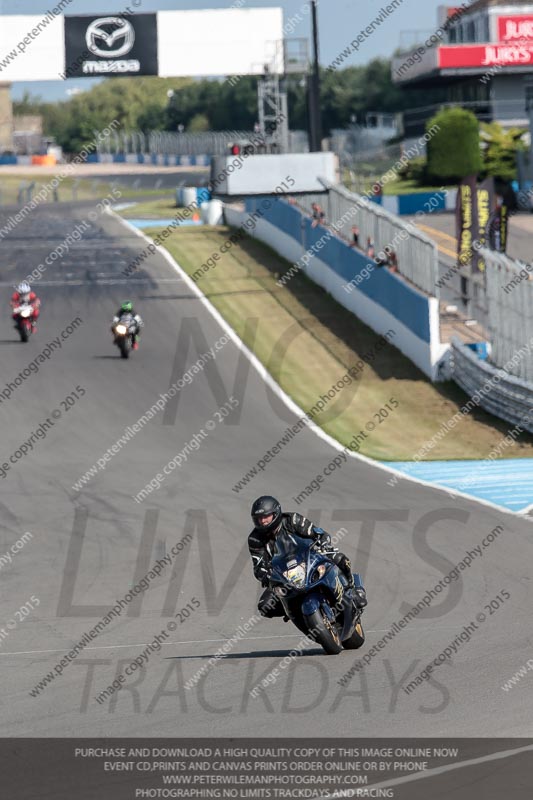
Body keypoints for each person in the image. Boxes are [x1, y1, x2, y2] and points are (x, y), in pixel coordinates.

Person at [248, 495, 367, 618]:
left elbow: (317, 532)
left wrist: (323, 543)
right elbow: (258, 565)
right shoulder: (254, 539)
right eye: (259, 519)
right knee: (265, 606)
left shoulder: (292, 520)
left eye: (265, 517)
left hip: (309, 558)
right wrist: (265, 575)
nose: (262, 521)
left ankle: (353, 590)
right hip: (283, 575)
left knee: (339, 558)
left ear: (276, 513)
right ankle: (295, 611)